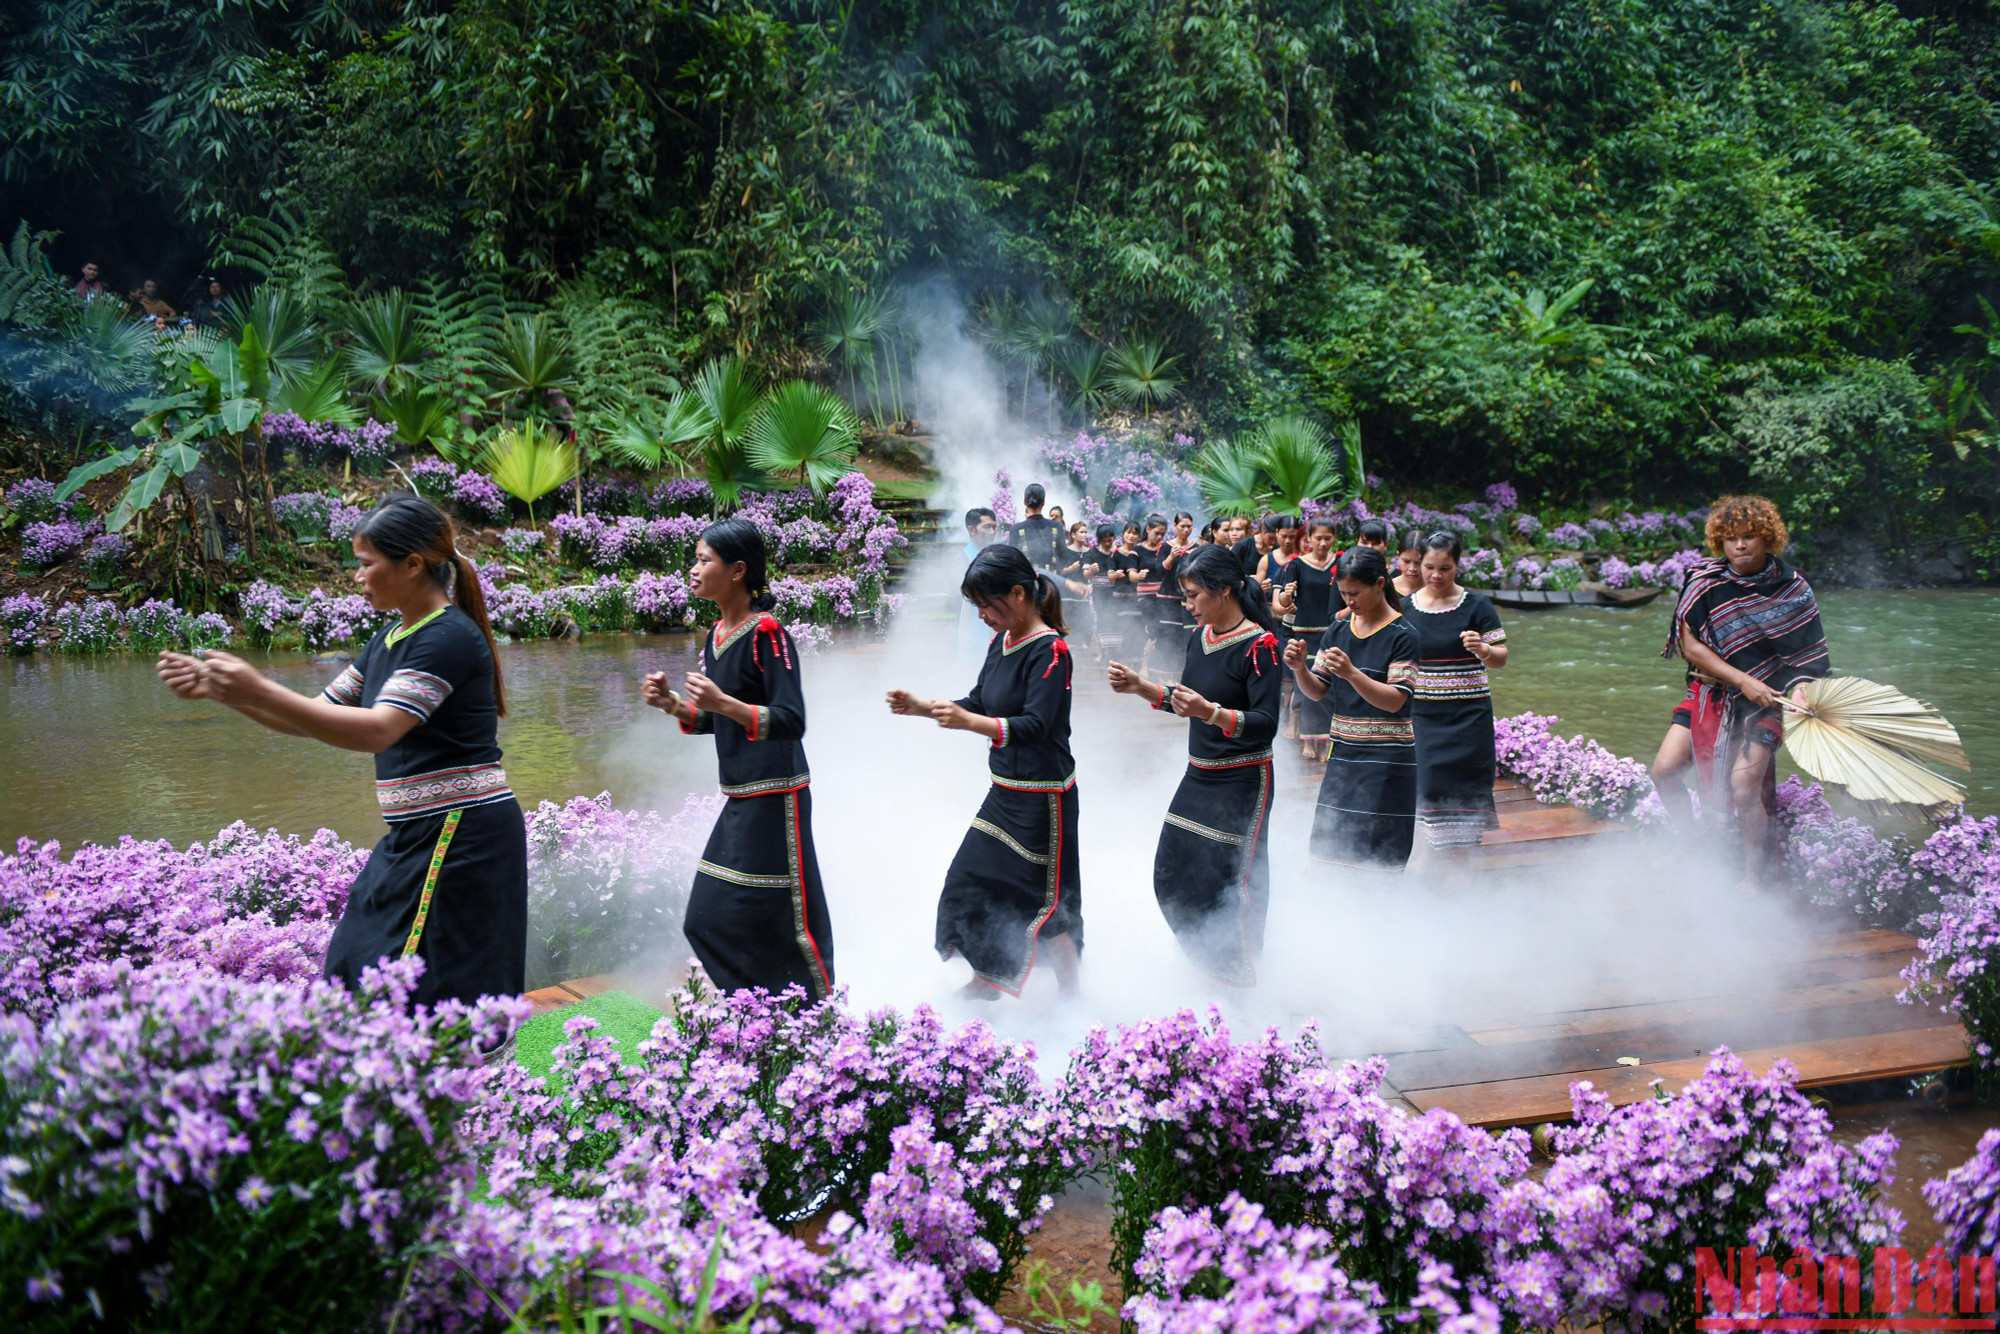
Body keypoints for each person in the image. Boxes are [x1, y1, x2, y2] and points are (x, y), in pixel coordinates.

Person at [156, 494, 525, 1010]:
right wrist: (229, 693)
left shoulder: (447, 638)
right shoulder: (390, 638)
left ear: (413, 565)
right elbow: (314, 716)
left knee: (433, 986)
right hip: (420, 832)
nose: (357, 577)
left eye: (366, 564)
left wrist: (257, 687)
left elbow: (377, 731)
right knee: (357, 961)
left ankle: (461, 1086)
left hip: (460, 833)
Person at [643, 520, 835, 999]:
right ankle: (764, 1011)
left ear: (737, 572)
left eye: (704, 559)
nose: (693, 569)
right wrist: (674, 706)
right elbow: (720, 719)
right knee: (708, 918)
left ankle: (809, 1012)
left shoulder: (767, 633)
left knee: (783, 916)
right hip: (741, 796)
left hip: (778, 794)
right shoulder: (717, 634)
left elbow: (790, 718)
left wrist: (722, 702)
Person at [888, 545, 1081, 999]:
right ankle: (989, 979)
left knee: (1049, 906)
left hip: (1044, 797)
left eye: (985, 605)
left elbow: (1035, 726)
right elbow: (980, 701)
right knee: (969, 881)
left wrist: (972, 723)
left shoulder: (1051, 651)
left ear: (1017, 594)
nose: (981, 617)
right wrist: (923, 708)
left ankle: (1071, 1001)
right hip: (1006, 792)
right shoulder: (1003, 642)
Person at [1108, 544, 1281, 986]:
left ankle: (1242, 979)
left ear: (1224, 590)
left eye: (1193, 596)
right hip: (1199, 774)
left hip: (1243, 779)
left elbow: (1265, 725)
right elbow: (1187, 702)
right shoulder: (1198, 637)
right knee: (1172, 870)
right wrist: (1140, 687)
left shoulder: (1261, 645)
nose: (1187, 605)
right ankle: (1207, 961)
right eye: (1184, 596)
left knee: (1229, 881)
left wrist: (1211, 713)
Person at [1653, 495, 1827, 877]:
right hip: (1707, 694)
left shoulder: (1793, 589)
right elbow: (1691, 648)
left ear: (1768, 537)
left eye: (1749, 536)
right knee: (1663, 771)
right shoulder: (1704, 581)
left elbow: (1808, 660)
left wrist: (1798, 693)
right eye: (1731, 538)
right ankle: (1691, 842)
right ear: (1720, 542)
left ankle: (1752, 875)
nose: (1741, 545)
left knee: (1745, 789)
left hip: (1765, 704)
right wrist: (1743, 680)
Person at [1287, 547, 1419, 868]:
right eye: (1344, 593)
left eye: (1355, 593)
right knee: (1329, 849)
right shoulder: (1338, 630)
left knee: (1376, 855)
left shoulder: (1404, 635)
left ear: (1379, 584)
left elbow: (1396, 699)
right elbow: (1317, 691)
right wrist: (1300, 669)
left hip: (1387, 761)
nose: (1349, 602)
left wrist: (1351, 673)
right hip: (1344, 756)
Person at [1404, 531, 1509, 850]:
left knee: (1465, 796)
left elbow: (1501, 658)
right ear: (1419, 564)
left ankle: (1462, 871)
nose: (1436, 575)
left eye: (1445, 568)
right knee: (1426, 791)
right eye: (1430, 567)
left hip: (1468, 723)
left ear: (1458, 566)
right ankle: (1426, 866)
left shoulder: (1477, 605)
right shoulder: (1403, 607)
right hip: (1421, 720)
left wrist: (1484, 651)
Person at [1272, 518, 1340, 758]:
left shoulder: (1339, 564)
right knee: (1308, 689)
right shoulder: (1296, 565)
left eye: (1327, 538)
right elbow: (1282, 604)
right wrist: (1287, 596)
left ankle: (1324, 743)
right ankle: (1309, 741)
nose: (1322, 543)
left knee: (1330, 688)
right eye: (1318, 538)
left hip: (1332, 633)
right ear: (1308, 538)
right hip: (1304, 633)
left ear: (1334, 539)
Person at [958, 507, 1000, 667]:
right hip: (971, 620)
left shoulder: (994, 556)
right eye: (987, 527)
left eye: (994, 527)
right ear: (972, 530)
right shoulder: (962, 558)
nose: (992, 532)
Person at [1081, 524, 1124, 661]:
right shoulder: (1092, 553)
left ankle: (1114, 652)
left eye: (1110, 540)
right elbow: (1085, 575)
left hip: (1116, 592)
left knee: (1116, 620)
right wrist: (1091, 571)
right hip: (1100, 593)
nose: (1107, 543)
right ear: (1099, 540)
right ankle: (1102, 652)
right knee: (1102, 621)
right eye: (1104, 540)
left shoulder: (1118, 552)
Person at [1009, 483, 1066, 574]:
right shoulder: (1057, 527)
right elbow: (1063, 557)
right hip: (1052, 581)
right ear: (1043, 502)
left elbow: (1012, 559)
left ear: (1025, 502)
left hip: (1027, 582)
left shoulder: (1016, 529)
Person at [1392, 533, 1424, 600]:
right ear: (1398, 556)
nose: (1412, 568)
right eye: (1406, 561)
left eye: (1418, 562)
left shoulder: (1435, 591)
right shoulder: (1387, 589)